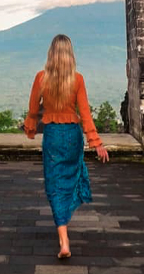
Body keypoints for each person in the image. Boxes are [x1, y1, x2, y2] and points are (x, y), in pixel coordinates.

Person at [24, 34, 110, 259]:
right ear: (70, 54)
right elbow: (86, 114)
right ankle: (65, 226)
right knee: (70, 177)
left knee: (54, 184)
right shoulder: (78, 79)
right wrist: (96, 143)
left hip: (52, 136)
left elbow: (33, 109)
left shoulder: (41, 78)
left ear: (51, 53)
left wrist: (31, 127)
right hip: (73, 136)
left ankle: (64, 240)